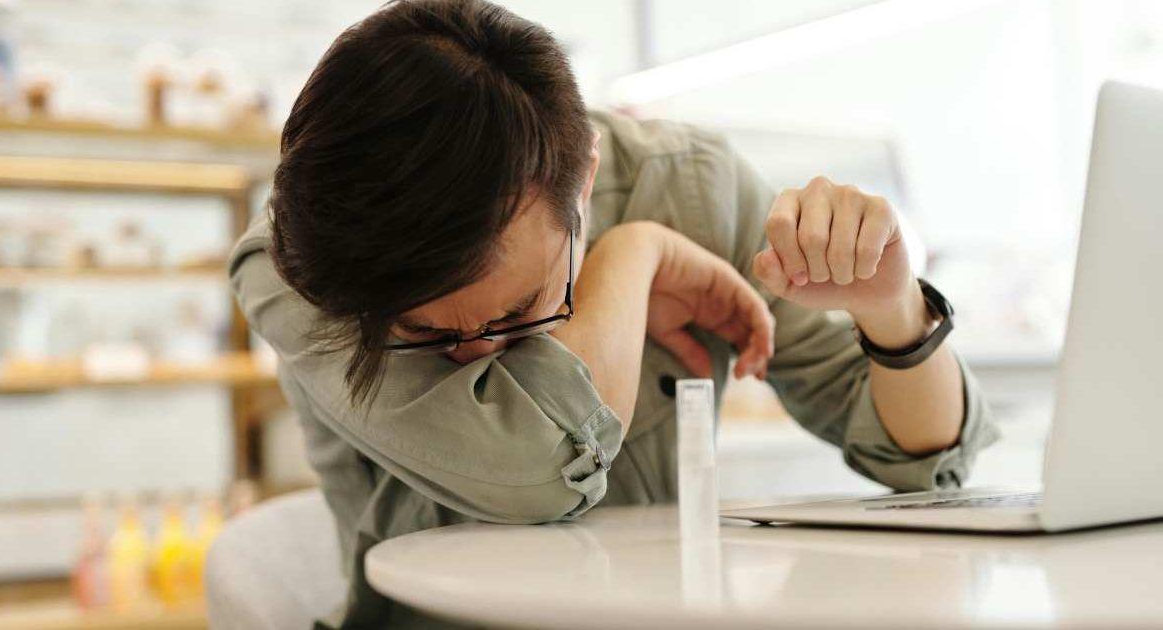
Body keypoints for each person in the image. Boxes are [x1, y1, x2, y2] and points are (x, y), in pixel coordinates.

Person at [229, 0, 998, 626]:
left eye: (522, 313)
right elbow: (535, 472)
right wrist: (633, 261)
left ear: (586, 177)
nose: (474, 354)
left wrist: (889, 304)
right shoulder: (293, 266)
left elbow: (925, 464)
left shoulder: (690, 186)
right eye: (425, 336)